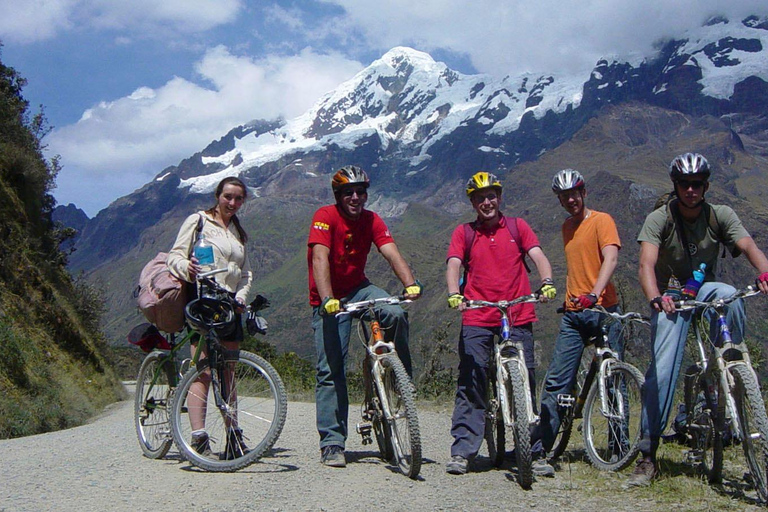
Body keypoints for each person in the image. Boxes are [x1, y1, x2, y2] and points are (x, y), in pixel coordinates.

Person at [628, 153, 768, 487]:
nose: (690, 190)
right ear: (675, 186)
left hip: (704, 290)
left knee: (730, 296)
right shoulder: (659, 218)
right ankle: (648, 454)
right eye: (684, 184)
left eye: (697, 184)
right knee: (662, 368)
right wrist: (655, 298)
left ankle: (729, 362)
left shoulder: (719, 215)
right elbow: (646, 264)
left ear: (705, 186)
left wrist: (764, 271)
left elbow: (748, 246)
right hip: (670, 297)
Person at [307, 165, 423, 468]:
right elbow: (320, 257)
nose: (356, 197)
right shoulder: (325, 216)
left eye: (360, 192)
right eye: (349, 192)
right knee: (331, 370)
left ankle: (400, 378)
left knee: (395, 312)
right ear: (338, 196)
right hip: (330, 297)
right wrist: (328, 298)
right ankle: (332, 442)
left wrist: (410, 283)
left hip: (360, 288)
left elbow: (391, 251)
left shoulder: (372, 219)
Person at [445, 171, 557, 476]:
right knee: (472, 382)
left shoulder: (518, 227)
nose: (487, 202)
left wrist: (546, 282)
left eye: (491, 196)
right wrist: (455, 293)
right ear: (472, 202)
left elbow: (538, 255)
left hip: (517, 312)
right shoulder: (464, 233)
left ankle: (533, 452)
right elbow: (454, 263)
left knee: (525, 380)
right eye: (480, 198)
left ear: (499, 197)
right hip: (478, 314)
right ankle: (463, 451)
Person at [530, 169, 622, 472]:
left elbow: (610, 258)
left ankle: (619, 448)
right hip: (573, 314)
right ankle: (540, 448)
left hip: (604, 312)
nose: (571, 199)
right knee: (558, 381)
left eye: (575, 193)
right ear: (559, 199)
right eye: (564, 196)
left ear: (584, 192)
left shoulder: (602, 220)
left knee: (613, 382)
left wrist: (595, 294)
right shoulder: (567, 226)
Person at [166, 176, 253, 458]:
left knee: (228, 372)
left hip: (229, 305)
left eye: (238, 198)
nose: (233, 203)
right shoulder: (199, 221)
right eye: (228, 196)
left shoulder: (238, 232)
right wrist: (186, 268)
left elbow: (246, 272)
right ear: (218, 196)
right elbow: (174, 257)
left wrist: (241, 296)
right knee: (202, 370)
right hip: (203, 300)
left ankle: (233, 436)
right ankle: (198, 436)